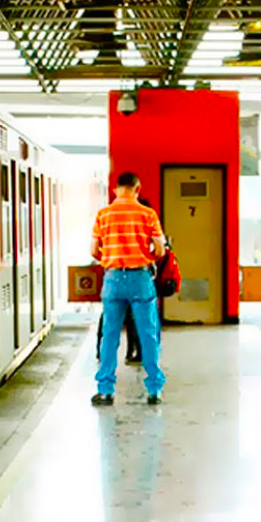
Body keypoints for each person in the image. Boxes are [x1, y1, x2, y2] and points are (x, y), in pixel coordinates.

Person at [90, 172, 166, 406]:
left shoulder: (103, 215)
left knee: (110, 335)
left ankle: (105, 390)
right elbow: (160, 249)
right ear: (137, 188)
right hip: (140, 277)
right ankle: (154, 390)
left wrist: (112, 257)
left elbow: (94, 250)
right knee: (148, 334)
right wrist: (145, 256)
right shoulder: (147, 214)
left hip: (113, 279)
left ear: (115, 189)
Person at [95, 197, 154, 365]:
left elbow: (98, 249)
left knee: (110, 314)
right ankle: (137, 351)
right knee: (139, 316)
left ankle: (103, 350)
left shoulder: (113, 222)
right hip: (137, 277)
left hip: (114, 275)